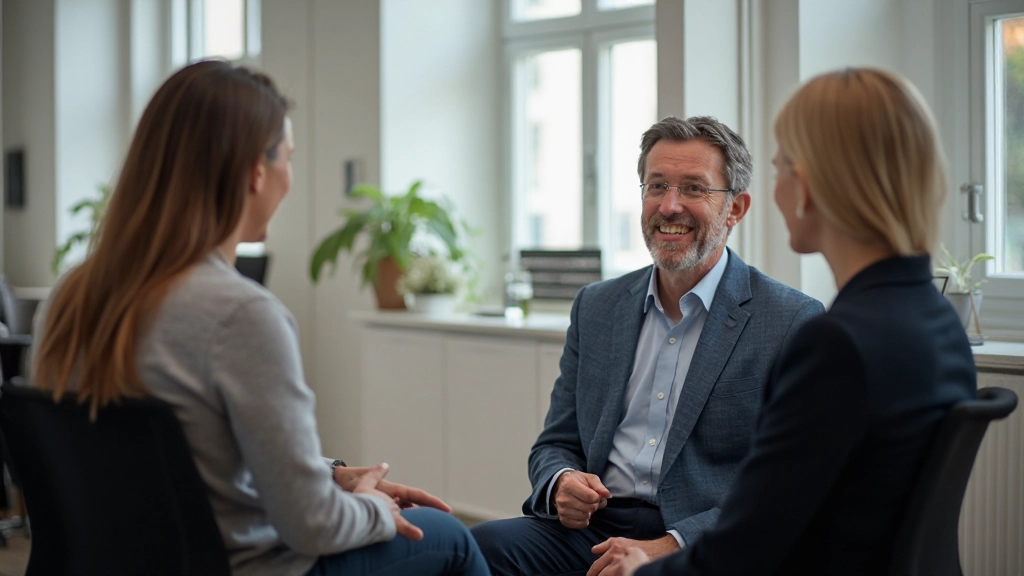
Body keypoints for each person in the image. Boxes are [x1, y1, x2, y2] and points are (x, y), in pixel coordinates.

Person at [30, 60, 490, 576]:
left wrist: (327, 475)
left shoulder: (68, 296)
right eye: (288, 158)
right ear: (255, 170)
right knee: (448, 534)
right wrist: (373, 509)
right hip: (241, 568)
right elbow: (310, 525)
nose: (289, 177)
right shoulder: (242, 314)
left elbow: (173, 458)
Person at [595, 68, 979, 576]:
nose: (774, 191)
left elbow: (745, 549)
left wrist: (639, 573)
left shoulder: (837, 344)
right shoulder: (933, 317)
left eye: (779, 168)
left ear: (812, 185)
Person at [470, 116, 824, 575]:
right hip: (594, 528)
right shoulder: (597, 306)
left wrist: (669, 547)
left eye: (694, 188)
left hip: (700, 538)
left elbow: (786, 487)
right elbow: (555, 442)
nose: (670, 206)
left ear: (736, 208)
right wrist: (560, 482)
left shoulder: (791, 320)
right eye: (656, 186)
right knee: (479, 547)